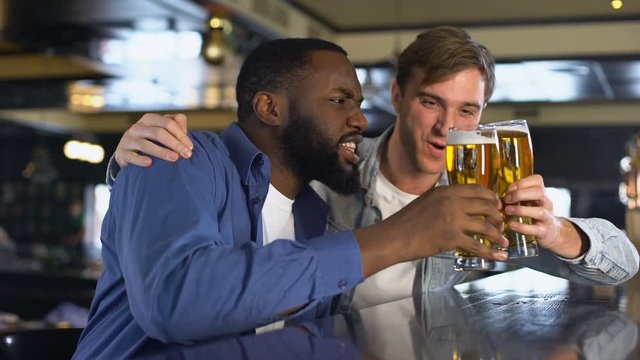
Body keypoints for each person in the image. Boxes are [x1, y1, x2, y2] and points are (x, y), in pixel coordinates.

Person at [108, 27, 639, 311]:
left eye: (467, 112)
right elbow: (258, 155)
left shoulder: (480, 196)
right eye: (432, 103)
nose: (446, 128)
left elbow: (624, 264)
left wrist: (557, 232)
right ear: (399, 96)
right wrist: (130, 166)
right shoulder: (328, 171)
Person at [74, 38, 510, 359]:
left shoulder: (315, 208)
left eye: (467, 110)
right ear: (270, 108)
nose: (359, 119)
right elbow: (177, 300)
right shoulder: (178, 155)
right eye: (340, 100)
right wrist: (396, 237)